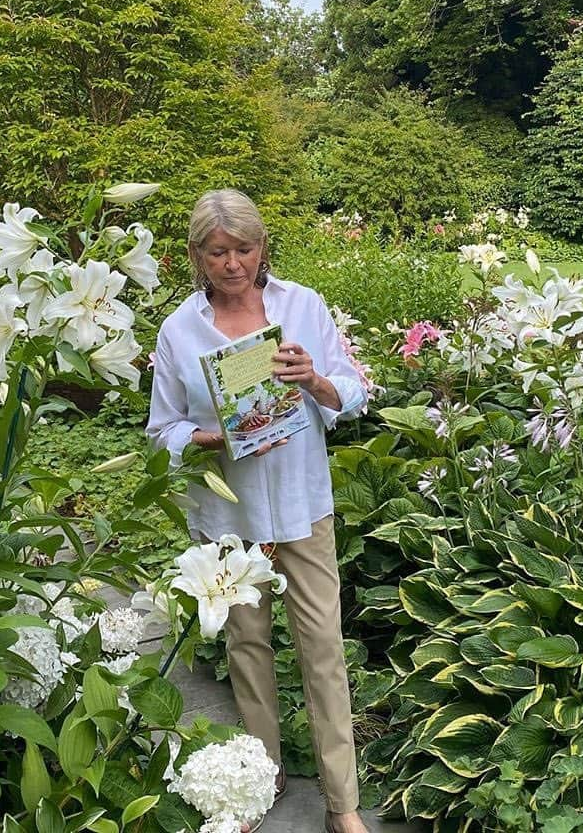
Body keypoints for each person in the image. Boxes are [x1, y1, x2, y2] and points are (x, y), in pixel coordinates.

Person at [147, 189, 370, 833]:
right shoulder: (178, 331)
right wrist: (206, 438)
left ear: (262, 248)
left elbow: (352, 393)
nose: (232, 264)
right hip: (230, 514)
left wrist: (315, 381)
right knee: (247, 648)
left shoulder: (303, 306)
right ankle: (256, 786)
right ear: (196, 256)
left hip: (304, 506)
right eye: (218, 252)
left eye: (244, 249)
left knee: (322, 648)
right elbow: (161, 429)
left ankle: (342, 805)